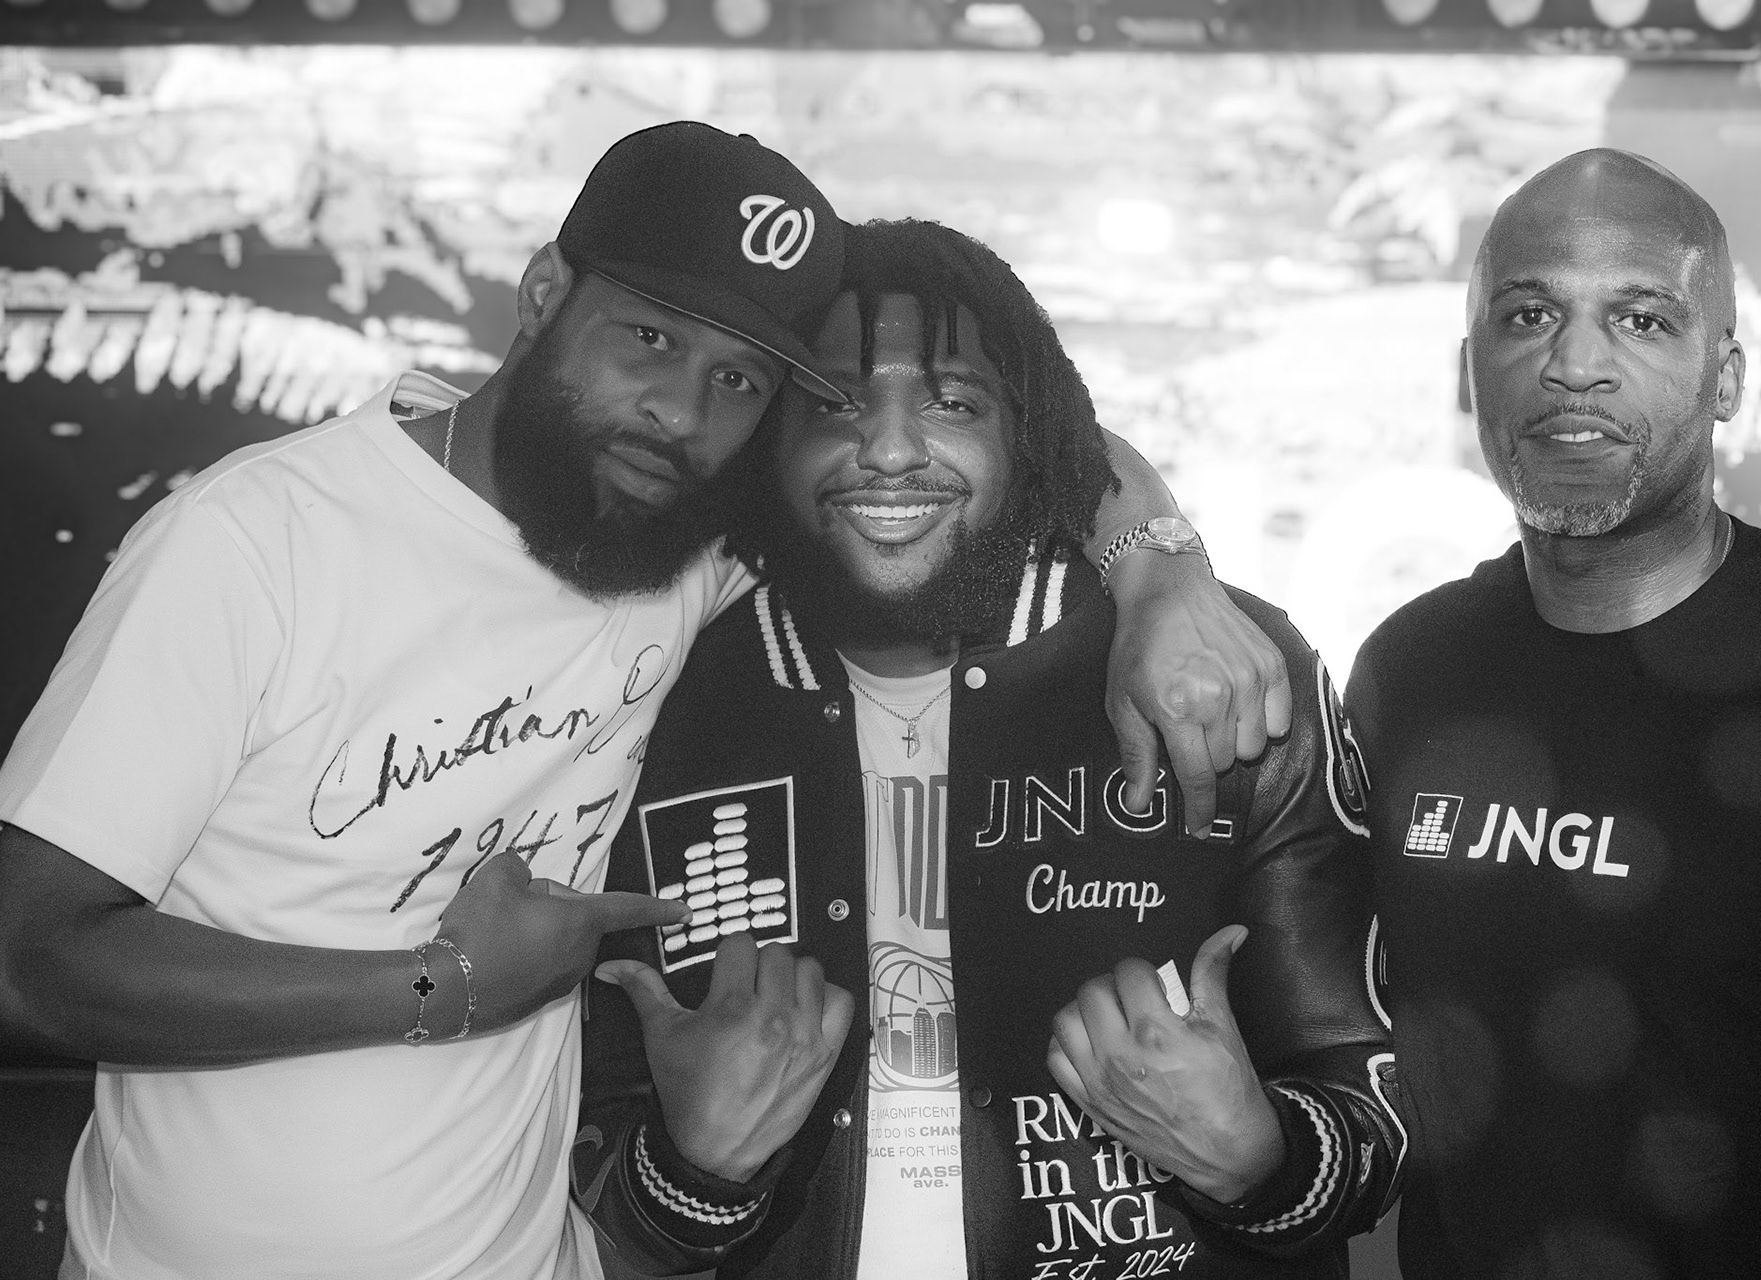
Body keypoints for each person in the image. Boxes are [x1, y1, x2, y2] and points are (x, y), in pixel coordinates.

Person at [0, 124, 1292, 1279]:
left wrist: (1162, 574)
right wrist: (441, 987)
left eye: (741, 381)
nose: (680, 412)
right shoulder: (257, 541)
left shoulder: (679, 542)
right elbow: (24, 965)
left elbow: (1004, 441)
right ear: (543, 294)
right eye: (650, 338)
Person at [573, 218, 1403, 1279]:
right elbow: (596, 1175)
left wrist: (1258, 1160)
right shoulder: (659, 698)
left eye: (954, 404)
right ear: (766, 441)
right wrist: (694, 1167)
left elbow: (1371, 1110)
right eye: (832, 403)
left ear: (1029, 439)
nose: (888, 449)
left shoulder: (1212, 671)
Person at [1345, 148, 1761, 1279]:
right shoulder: (1409, 667)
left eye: (1642, 320)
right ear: (1469, 373)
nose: (1573, 365)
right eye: (1529, 315)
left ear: (1727, 377)